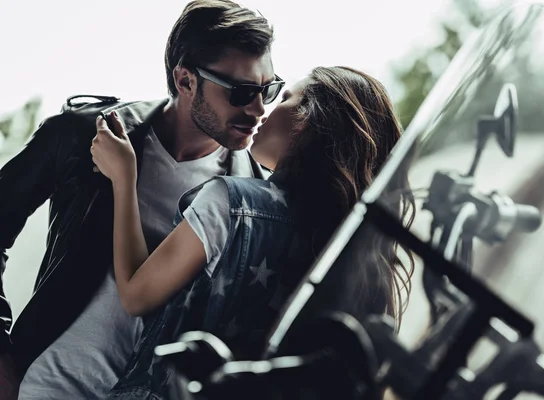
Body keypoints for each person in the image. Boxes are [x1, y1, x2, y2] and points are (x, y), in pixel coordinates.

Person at [0, 1, 282, 399]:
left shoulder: (250, 200)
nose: (258, 109)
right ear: (185, 81)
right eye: (242, 92)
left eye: (269, 89)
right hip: (46, 386)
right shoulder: (83, 136)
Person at [90, 66, 415, 390]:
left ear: (309, 121)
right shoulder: (353, 251)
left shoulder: (228, 202)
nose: (264, 110)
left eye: (286, 98)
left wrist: (123, 176)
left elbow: (135, 294)